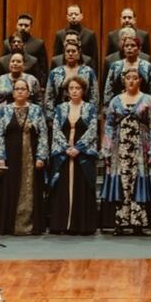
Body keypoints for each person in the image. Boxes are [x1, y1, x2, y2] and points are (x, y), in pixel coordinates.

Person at [100, 70, 151, 235]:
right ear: (123, 81)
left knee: (138, 182)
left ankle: (138, 222)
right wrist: (106, 148)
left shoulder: (148, 100)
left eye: (135, 78)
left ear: (140, 80)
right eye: (128, 78)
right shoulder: (115, 101)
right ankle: (120, 222)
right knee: (122, 181)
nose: (131, 81)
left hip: (140, 146)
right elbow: (109, 126)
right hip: (120, 147)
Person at [0, 78, 48, 235]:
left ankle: (30, 226)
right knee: (9, 186)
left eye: (24, 89)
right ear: (13, 92)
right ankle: (10, 226)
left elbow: (43, 133)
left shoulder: (36, 110)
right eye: (17, 89)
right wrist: (0, 157)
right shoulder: (4, 110)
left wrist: (41, 156)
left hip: (31, 155)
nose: (20, 91)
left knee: (31, 188)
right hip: (10, 155)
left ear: (29, 93)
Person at [49, 76, 98, 235]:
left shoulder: (90, 108)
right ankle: (61, 224)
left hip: (82, 154)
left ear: (83, 90)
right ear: (67, 91)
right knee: (62, 187)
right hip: (64, 154)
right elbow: (56, 129)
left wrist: (78, 148)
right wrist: (65, 148)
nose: (74, 91)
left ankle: (81, 225)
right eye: (71, 88)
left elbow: (92, 130)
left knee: (82, 187)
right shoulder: (60, 108)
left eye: (77, 88)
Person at [44, 40, 99, 116]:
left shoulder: (88, 72)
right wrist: (51, 116)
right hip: (59, 115)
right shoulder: (55, 72)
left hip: (83, 114)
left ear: (79, 53)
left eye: (73, 51)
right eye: (68, 51)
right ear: (64, 54)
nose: (70, 54)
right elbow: (49, 97)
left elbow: (94, 96)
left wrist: (91, 114)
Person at [102, 35, 151, 107]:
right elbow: (108, 90)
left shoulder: (147, 66)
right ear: (123, 48)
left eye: (133, 45)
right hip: (119, 106)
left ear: (139, 48)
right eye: (126, 46)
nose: (129, 48)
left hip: (142, 107)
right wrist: (108, 108)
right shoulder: (115, 66)